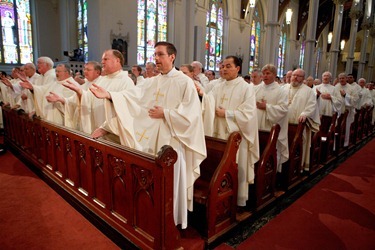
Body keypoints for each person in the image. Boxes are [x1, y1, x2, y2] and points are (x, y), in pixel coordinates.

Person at [90, 42, 207, 229]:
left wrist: (166, 113)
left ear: (172, 57)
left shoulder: (184, 82)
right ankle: (151, 218)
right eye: (155, 55)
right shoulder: (151, 82)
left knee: (169, 184)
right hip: (151, 140)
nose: (156, 59)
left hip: (172, 143)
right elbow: (133, 98)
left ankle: (170, 222)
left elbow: (192, 116)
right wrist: (110, 95)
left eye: (160, 54)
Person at [202, 55, 259, 207]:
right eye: (222, 66)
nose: (224, 69)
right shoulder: (218, 86)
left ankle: (235, 202)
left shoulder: (247, 88)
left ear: (237, 68)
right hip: (217, 134)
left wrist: (227, 113)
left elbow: (249, 115)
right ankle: (218, 199)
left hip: (236, 137)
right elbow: (208, 103)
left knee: (234, 167)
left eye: (228, 66)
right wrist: (201, 94)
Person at [58, 50, 134, 138]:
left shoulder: (126, 81)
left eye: (106, 59)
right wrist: (80, 92)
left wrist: (105, 128)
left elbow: (125, 110)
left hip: (112, 135)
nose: (102, 62)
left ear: (117, 60)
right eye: (102, 59)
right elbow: (89, 99)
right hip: (96, 132)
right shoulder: (102, 80)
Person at [284, 69, 320, 171]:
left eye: (298, 76)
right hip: (283, 125)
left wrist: (305, 113)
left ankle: (297, 167)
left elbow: (312, 105)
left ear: (303, 78)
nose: (295, 77)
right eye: (294, 75)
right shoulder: (284, 88)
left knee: (299, 147)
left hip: (299, 126)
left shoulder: (308, 91)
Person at [256, 64, 289, 171]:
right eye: (263, 73)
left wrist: (266, 107)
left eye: (268, 73)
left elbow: (283, 109)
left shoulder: (281, 91)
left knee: (269, 153)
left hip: (270, 128)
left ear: (274, 75)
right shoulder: (256, 89)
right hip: (256, 127)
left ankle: (271, 174)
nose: (265, 76)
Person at [334, 72, 359, 147]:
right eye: (340, 78)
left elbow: (355, 99)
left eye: (343, 78)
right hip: (336, 111)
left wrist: (345, 95)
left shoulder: (351, 88)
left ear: (346, 79)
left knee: (346, 128)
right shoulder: (336, 87)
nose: (341, 79)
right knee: (336, 128)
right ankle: (335, 144)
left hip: (347, 111)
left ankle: (345, 143)